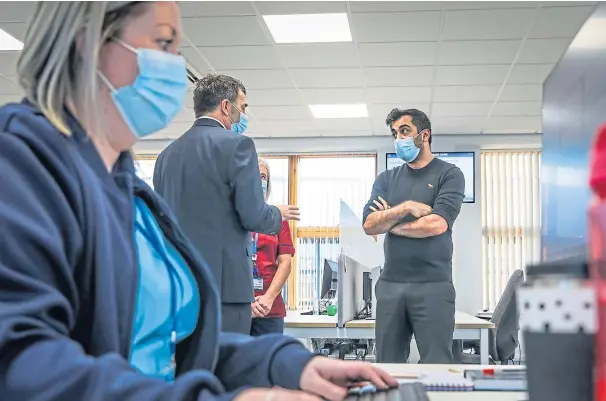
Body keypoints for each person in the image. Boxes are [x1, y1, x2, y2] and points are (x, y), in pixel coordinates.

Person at [0, 3, 398, 401]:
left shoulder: (127, 189)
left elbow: (170, 348)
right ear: (86, 44)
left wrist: (287, 364)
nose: (176, 66)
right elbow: (20, 364)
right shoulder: (17, 164)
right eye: (163, 43)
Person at [153, 74, 299, 335]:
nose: (242, 114)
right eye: (242, 108)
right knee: (229, 367)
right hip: (226, 290)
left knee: (190, 368)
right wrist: (277, 213)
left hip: (180, 286)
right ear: (225, 106)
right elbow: (254, 216)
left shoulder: (166, 156)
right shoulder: (238, 145)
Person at [362, 108, 465, 364]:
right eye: (395, 133)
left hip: (434, 286)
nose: (399, 139)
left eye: (405, 131)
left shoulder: (449, 174)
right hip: (390, 285)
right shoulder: (386, 179)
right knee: (387, 366)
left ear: (425, 135)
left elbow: (436, 224)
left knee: (437, 365)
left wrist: (390, 224)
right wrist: (406, 208)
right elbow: (369, 224)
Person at [250, 159, 294, 335]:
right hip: (238, 308)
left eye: (263, 177)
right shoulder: (233, 218)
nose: (260, 180)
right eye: (255, 176)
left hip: (270, 308)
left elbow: (286, 263)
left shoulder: (277, 219)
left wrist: (268, 299)